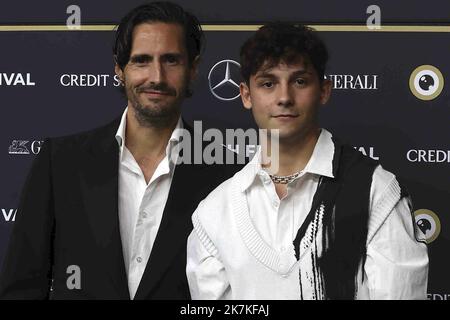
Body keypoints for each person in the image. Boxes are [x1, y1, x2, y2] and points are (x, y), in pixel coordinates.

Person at [0, 1, 241, 300]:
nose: (156, 76)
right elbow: (22, 287)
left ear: (193, 69)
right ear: (119, 69)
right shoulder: (59, 161)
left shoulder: (230, 174)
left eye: (171, 60)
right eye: (141, 60)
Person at [186, 22, 429, 299]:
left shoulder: (376, 192)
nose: (284, 98)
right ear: (246, 95)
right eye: (268, 83)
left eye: (299, 81)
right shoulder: (215, 211)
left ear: (324, 91)